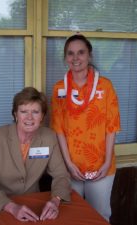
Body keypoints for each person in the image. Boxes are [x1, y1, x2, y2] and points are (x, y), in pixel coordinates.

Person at [50, 34, 121, 221]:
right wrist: (68, 164)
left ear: (90, 55)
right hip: (70, 167)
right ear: (65, 58)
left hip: (100, 167)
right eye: (70, 53)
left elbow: (111, 127)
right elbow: (59, 130)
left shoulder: (105, 87)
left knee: (99, 216)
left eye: (81, 52)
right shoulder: (59, 89)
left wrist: (106, 163)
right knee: (70, 216)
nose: (75, 58)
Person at [0, 87, 71, 222]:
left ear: (42, 116)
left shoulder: (49, 137)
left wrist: (56, 200)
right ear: (15, 114)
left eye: (35, 112)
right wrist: (12, 207)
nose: (29, 117)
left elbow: (61, 175)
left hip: (31, 206)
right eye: (24, 111)